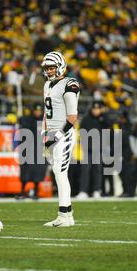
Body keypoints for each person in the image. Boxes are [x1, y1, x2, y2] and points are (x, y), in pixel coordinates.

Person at [41, 51, 79, 227]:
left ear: (60, 66)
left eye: (52, 67)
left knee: (60, 171)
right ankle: (66, 215)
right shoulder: (47, 85)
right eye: (47, 68)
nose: (49, 71)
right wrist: (44, 133)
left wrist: (57, 135)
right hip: (52, 133)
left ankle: (65, 216)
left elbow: (72, 117)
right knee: (57, 171)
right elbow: (46, 113)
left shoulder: (69, 84)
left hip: (65, 133)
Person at [76, 101, 109, 199]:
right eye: (94, 109)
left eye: (98, 109)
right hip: (87, 149)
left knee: (97, 170)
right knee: (85, 170)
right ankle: (83, 191)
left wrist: (103, 115)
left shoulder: (103, 119)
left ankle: (96, 190)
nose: (95, 111)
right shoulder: (86, 119)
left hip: (98, 149)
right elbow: (81, 132)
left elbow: (108, 128)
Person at [17, 103, 47, 200]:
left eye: (39, 111)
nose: (37, 112)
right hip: (28, 149)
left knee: (37, 173)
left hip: (39, 150)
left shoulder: (45, 122)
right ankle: (22, 191)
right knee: (25, 172)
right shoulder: (27, 120)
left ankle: (36, 192)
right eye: (36, 110)